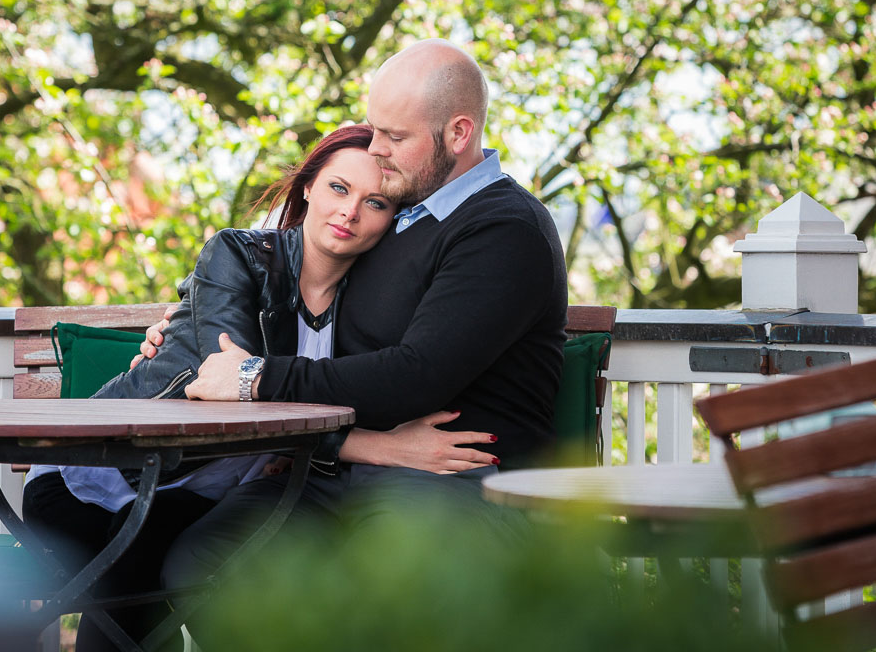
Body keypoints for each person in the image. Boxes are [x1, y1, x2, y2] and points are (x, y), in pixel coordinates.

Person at [21, 125, 498, 652]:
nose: (351, 212)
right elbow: (236, 392)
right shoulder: (239, 257)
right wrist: (383, 447)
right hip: (103, 476)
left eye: (377, 202)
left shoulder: (374, 305)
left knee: (192, 557)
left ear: (393, 220)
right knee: (146, 559)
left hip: (213, 493)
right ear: (309, 188)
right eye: (339, 188)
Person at [160, 39, 569, 616]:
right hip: (338, 468)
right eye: (375, 130)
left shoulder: (504, 229)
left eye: (395, 137)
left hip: (453, 478)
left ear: (458, 134)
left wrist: (254, 376)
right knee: (204, 563)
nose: (376, 149)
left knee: (390, 585)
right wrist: (179, 329)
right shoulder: (398, 215)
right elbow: (293, 288)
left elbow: (415, 375)